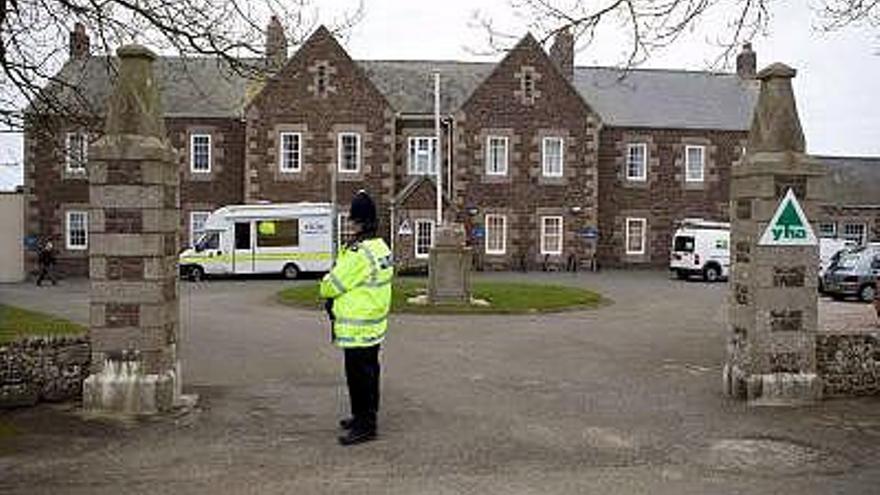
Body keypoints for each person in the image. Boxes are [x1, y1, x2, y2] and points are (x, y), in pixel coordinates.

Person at [320, 191, 393, 446]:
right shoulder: (380, 247)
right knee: (371, 372)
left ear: (359, 221)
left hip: (357, 327)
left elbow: (331, 285)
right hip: (373, 324)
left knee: (358, 376)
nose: (349, 224)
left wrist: (327, 281)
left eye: (352, 220)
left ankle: (365, 425)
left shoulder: (359, 252)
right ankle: (365, 416)